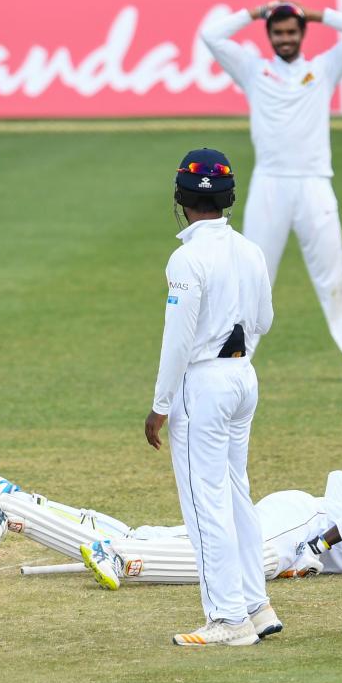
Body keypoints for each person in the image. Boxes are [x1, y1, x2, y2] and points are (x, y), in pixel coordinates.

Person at [200, 0, 342, 384]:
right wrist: (254, 12)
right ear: (268, 36)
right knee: (254, 273)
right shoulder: (253, 70)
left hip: (315, 183)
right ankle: (237, 355)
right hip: (270, 183)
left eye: (291, 32)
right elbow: (211, 34)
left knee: (334, 275)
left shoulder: (324, 68)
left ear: (302, 34)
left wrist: (316, 14)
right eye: (278, 32)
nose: (285, 39)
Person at [0, 469, 342, 591]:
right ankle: (126, 561)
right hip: (303, 521)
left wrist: (323, 549)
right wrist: (320, 542)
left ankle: (17, 506)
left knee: (166, 533)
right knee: (257, 564)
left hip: (301, 511)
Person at [144, 147, 274, 647]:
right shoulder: (250, 250)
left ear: (180, 199)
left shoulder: (186, 257)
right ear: (228, 198)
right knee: (236, 492)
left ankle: (228, 619)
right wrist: (238, 357)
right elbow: (262, 320)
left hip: (203, 384)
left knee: (206, 501)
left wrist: (160, 405)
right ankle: (256, 605)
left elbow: (178, 340)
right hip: (243, 378)